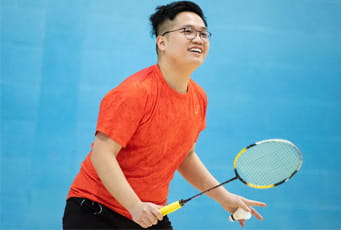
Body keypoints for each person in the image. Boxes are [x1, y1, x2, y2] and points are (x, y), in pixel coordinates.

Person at [62, 1, 266, 229]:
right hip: (97, 211)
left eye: (203, 33)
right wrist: (134, 205)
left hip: (150, 213)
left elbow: (185, 157)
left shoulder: (198, 98)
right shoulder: (135, 92)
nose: (198, 38)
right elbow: (102, 154)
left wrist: (225, 199)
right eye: (187, 31)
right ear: (162, 42)